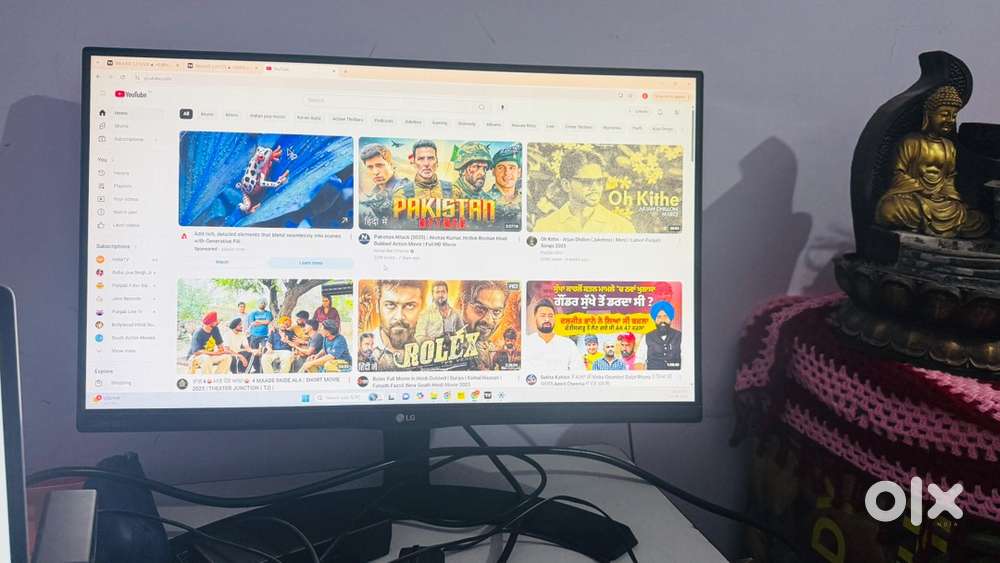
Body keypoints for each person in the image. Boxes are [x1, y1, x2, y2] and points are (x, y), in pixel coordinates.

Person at [876, 86, 989, 238]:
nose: (949, 120)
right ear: (929, 115)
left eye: (954, 116)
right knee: (889, 210)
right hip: (913, 197)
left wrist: (948, 196)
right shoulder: (911, 142)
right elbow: (898, 174)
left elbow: (949, 179)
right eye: (944, 115)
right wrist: (921, 191)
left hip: (941, 202)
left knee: (979, 220)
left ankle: (940, 222)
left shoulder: (949, 147)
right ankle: (938, 223)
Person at [533, 149, 635, 233]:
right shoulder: (545, 227)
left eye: (599, 181)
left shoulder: (622, 228)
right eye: (587, 182)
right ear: (566, 185)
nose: (595, 188)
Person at [455, 280, 509, 369]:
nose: (489, 320)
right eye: (480, 308)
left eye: (496, 311)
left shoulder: (492, 349)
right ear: (462, 304)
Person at [372, 280, 424, 370]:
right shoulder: (358, 350)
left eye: (410, 306)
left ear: (421, 309)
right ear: (377, 306)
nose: (399, 317)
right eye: (390, 305)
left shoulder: (431, 350)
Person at [359, 143, 413, 227]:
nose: (375, 172)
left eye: (380, 165)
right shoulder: (375, 192)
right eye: (370, 167)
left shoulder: (406, 188)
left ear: (391, 165)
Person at [523, 299, 584, 371]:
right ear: (535, 318)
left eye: (550, 316)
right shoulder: (525, 344)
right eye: (542, 316)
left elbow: (579, 372)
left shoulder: (568, 345)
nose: (547, 319)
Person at [644, 301, 682, 370]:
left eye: (665, 316)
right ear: (654, 320)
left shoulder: (680, 336)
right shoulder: (647, 336)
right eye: (659, 317)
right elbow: (639, 361)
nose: (662, 320)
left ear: (671, 319)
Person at [491, 145, 522, 225]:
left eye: (511, 168)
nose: (507, 173)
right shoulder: (484, 200)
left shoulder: (525, 199)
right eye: (501, 168)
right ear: (493, 172)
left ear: (519, 172)